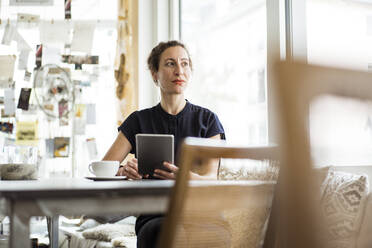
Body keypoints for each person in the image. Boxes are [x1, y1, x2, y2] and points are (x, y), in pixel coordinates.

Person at [102, 40, 225, 248]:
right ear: (154, 74)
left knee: (214, 234)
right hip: (155, 215)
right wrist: (123, 170)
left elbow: (211, 179)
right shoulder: (138, 121)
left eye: (185, 64)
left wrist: (182, 177)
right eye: (170, 64)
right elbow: (104, 169)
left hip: (202, 213)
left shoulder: (208, 121)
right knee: (163, 231)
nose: (179, 71)